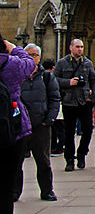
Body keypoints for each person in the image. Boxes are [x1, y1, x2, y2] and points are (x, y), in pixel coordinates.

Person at [0, 33, 36, 214]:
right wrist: (14, 48)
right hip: (9, 132)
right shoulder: (9, 64)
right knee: (4, 191)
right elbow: (30, 64)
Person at [14, 43, 60, 201]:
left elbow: (54, 98)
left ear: (39, 58)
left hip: (41, 124)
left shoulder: (47, 77)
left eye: (34, 55)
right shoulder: (17, 76)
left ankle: (47, 190)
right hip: (21, 126)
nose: (31, 58)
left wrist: (49, 119)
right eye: (28, 55)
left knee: (43, 161)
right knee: (16, 161)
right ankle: (14, 192)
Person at [54, 38, 95, 170]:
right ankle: (69, 160)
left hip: (84, 101)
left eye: (82, 47)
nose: (80, 49)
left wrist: (93, 97)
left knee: (88, 130)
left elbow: (94, 80)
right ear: (71, 48)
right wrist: (68, 82)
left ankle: (81, 154)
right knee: (69, 132)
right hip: (69, 101)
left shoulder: (87, 63)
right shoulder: (62, 63)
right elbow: (54, 80)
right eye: (77, 47)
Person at [43, 58, 65, 155]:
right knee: (59, 128)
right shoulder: (54, 77)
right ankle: (59, 147)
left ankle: (54, 147)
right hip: (58, 105)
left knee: (55, 128)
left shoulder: (43, 77)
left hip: (50, 105)